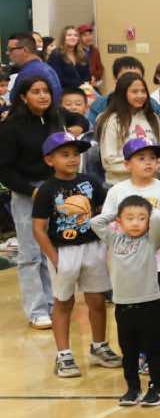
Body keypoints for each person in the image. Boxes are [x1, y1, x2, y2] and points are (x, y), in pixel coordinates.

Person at [32, 132, 116, 379]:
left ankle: (99, 346)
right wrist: (54, 257)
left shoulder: (90, 182)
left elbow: (103, 213)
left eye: (75, 154)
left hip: (92, 247)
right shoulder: (46, 190)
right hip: (63, 251)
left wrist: (106, 243)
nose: (72, 159)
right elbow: (38, 229)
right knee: (63, 302)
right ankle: (64, 354)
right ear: (50, 160)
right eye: (65, 154)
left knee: (97, 300)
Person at [1, 61, 65, 328]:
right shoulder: (11, 127)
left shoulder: (55, 119)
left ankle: (53, 303)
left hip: (55, 190)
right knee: (30, 254)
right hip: (27, 193)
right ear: (23, 96)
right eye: (36, 92)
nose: (42, 96)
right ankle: (36, 309)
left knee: (53, 250)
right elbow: (5, 170)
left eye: (46, 91)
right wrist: (32, 189)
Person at [93, 195, 160, 407]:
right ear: (119, 221)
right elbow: (95, 222)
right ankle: (133, 388)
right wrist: (117, 214)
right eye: (130, 218)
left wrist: (147, 211)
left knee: (153, 349)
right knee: (129, 351)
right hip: (123, 305)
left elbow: (158, 219)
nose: (135, 223)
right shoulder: (114, 239)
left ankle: (157, 388)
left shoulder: (151, 240)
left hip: (149, 304)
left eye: (141, 218)